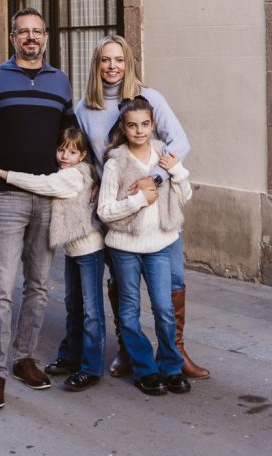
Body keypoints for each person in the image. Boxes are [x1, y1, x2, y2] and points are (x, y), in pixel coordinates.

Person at [74, 34, 209, 379]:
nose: (112, 67)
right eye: (106, 60)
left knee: (173, 281)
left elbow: (180, 143)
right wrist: (91, 180)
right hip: (118, 210)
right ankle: (126, 348)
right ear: (97, 64)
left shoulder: (149, 98)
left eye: (119, 59)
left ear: (128, 62)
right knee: (122, 283)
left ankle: (176, 351)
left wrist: (157, 180)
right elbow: (83, 155)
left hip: (158, 210)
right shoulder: (84, 109)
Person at [0, 7, 77, 411]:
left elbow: (70, 139)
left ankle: (23, 358)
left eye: (37, 32)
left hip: (47, 196)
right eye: (22, 32)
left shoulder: (60, 81)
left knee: (40, 286)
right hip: (4, 198)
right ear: (12, 37)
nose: (30, 38)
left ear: (46, 37)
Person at [0, 126, 105, 393]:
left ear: (82, 155)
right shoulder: (71, 171)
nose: (64, 155)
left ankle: (91, 366)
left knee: (91, 311)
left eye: (71, 152)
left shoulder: (72, 176)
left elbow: (43, 184)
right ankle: (71, 355)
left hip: (89, 249)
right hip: (74, 249)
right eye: (61, 149)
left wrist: (3, 174)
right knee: (74, 305)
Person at [97, 95, 192, 395]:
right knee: (128, 310)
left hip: (161, 244)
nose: (139, 131)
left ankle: (171, 366)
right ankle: (144, 368)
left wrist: (176, 171)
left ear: (153, 125)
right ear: (124, 129)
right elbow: (104, 211)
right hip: (124, 247)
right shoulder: (115, 163)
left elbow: (184, 196)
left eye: (145, 125)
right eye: (132, 126)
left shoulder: (164, 155)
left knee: (164, 308)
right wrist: (138, 201)